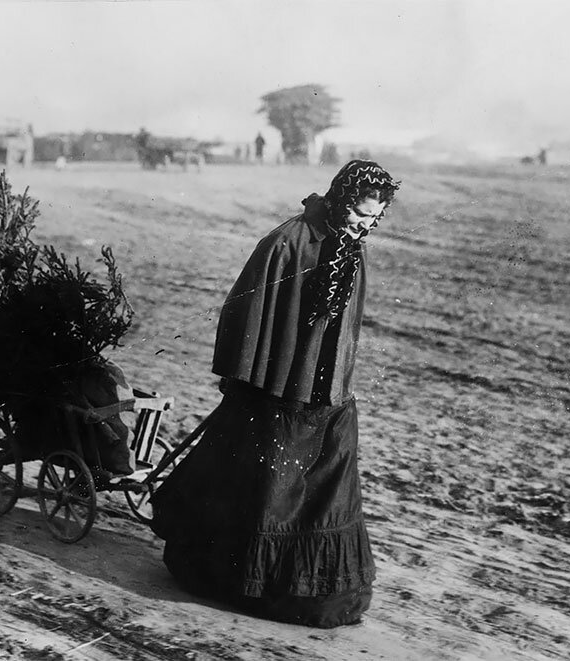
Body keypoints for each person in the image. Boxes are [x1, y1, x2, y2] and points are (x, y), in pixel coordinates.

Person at [151, 160, 400, 628]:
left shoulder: (352, 248)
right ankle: (238, 584)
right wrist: (245, 380)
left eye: (373, 219)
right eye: (358, 216)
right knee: (267, 487)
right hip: (277, 393)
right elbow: (247, 311)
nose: (365, 226)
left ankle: (306, 590)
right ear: (341, 200)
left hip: (325, 398)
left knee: (326, 483)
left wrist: (337, 383)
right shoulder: (286, 242)